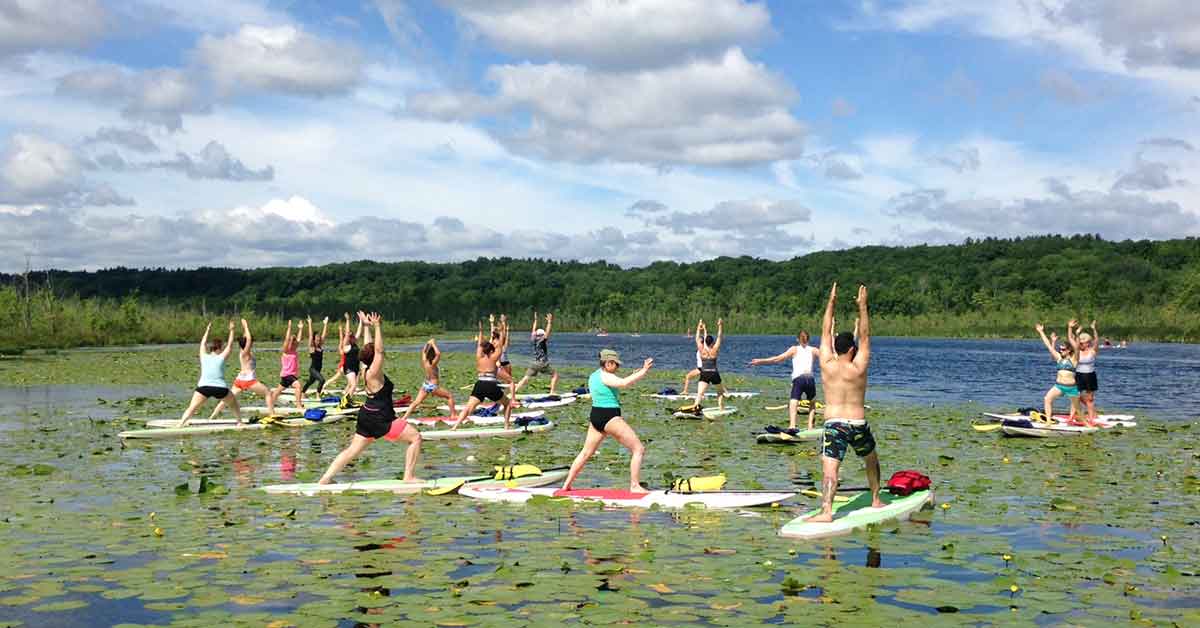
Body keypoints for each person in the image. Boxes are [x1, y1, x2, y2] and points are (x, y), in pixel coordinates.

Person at [805, 283, 881, 523]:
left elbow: (825, 331)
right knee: (871, 459)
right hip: (857, 422)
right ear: (852, 348)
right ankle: (876, 499)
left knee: (830, 469)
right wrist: (863, 306)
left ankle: (827, 512)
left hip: (835, 423)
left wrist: (831, 301)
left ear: (836, 348)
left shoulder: (827, 364)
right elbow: (866, 335)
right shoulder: (858, 366)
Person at [318, 312, 422, 484]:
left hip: (366, 415)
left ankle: (325, 478)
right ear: (374, 358)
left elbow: (370, 347)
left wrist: (366, 326)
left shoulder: (365, 366)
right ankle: (408, 476)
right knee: (415, 438)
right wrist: (378, 326)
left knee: (352, 450)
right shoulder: (374, 372)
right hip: (381, 418)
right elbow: (379, 350)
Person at [561, 349, 654, 492]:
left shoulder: (594, 376)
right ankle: (634, 486)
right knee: (638, 449)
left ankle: (566, 485)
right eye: (616, 364)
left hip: (596, 416)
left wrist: (636, 373)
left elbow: (617, 382)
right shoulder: (606, 377)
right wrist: (644, 371)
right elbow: (623, 383)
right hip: (609, 417)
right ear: (608, 363)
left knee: (586, 453)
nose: (618, 367)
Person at [749, 331, 821, 429]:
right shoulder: (814, 350)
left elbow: (777, 359)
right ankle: (810, 426)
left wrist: (761, 361)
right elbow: (828, 358)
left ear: (797, 339)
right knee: (812, 403)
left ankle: (792, 426)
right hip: (810, 379)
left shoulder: (794, 349)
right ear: (809, 339)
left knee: (793, 402)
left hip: (799, 379)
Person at [453, 320, 515, 429]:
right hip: (490, 385)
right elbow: (500, 344)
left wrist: (480, 330)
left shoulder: (479, 357)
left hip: (479, 384)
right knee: (507, 403)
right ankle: (506, 426)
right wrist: (502, 330)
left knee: (468, 407)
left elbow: (479, 344)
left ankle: (455, 427)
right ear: (491, 351)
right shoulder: (493, 357)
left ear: (483, 350)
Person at [209, 319, 277, 419]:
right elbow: (248, 339)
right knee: (268, 393)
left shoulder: (242, 351)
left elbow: (246, 339)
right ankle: (272, 415)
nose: (251, 342)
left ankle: (213, 416)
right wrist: (246, 326)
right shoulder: (246, 352)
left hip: (239, 380)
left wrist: (244, 328)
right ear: (247, 344)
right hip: (249, 381)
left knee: (227, 399)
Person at [178, 321, 241, 427]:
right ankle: (240, 422)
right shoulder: (221, 357)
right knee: (233, 404)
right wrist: (232, 330)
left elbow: (202, 343)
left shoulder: (203, 356)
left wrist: (207, 330)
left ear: (210, 348)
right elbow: (230, 345)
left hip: (203, 388)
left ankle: (180, 424)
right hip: (220, 388)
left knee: (192, 407)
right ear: (220, 348)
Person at [399, 338, 457, 421]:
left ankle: (405, 417)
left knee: (416, 401)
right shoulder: (433, 364)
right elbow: (438, 354)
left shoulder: (424, 361)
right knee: (449, 396)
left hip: (425, 385)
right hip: (433, 386)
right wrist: (433, 344)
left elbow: (423, 351)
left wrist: (427, 344)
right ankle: (453, 415)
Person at [1035, 321, 1080, 423]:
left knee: (1075, 406)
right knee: (1047, 399)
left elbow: (1076, 346)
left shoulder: (1074, 359)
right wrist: (1041, 332)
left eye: (1063, 349)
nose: (1060, 351)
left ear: (1069, 350)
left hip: (1071, 387)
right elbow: (1048, 346)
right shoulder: (1059, 358)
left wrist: (1070, 328)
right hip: (1059, 386)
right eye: (1060, 349)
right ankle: (1048, 420)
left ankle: (1071, 419)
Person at [512, 311, 559, 396]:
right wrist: (549, 322)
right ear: (542, 335)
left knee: (525, 378)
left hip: (534, 363)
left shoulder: (533, 339)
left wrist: (536, 319)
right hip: (542, 363)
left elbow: (533, 330)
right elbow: (548, 332)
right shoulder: (542, 341)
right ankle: (552, 392)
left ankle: (513, 392)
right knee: (555, 375)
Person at [687, 318, 727, 412]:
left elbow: (697, 338)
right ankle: (721, 409)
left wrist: (699, 326)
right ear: (712, 342)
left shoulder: (702, 350)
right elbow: (720, 336)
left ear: (705, 342)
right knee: (720, 392)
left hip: (704, 373)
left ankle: (695, 407)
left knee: (700, 394)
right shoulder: (715, 350)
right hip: (714, 373)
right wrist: (720, 325)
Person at [1070, 320, 1101, 425]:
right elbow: (1071, 339)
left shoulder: (1093, 351)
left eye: (1083, 342)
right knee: (1075, 396)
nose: (1081, 344)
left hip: (1090, 376)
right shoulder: (1077, 351)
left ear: (1088, 343)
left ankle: (1092, 418)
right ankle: (1071, 417)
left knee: (1090, 399)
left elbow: (1097, 340)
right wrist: (1073, 330)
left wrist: (1094, 329)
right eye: (1080, 342)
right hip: (1079, 375)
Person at [270, 320, 305, 411]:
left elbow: (299, 339)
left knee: (278, 390)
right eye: (292, 341)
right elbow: (286, 339)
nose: (294, 342)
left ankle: (270, 404)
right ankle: (298, 406)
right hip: (287, 374)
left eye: (294, 341)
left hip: (290, 375)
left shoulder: (294, 349)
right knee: (298, 386)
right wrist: (289, 327)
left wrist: (300, 328)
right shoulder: (286, 350)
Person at [301, 315, 329, 396]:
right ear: (314, 339)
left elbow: (324, 335)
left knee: (310, 381)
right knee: (322, 380)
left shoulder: (320, 345)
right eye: (317, 338)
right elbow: (310, 335)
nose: (319, 339)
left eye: (319, 338)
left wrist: (325, 324)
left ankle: (302, 393)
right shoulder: (312, 347)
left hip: (318, 369)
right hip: (313, 369)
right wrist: (309, 323)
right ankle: (317, 395)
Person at [341, 312, 364, 402]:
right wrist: (347, 320)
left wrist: (361, 320)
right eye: (350, 336)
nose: (352, 337)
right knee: (354, 385)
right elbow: (347, 333)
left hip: (355, 367)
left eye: (352, 336)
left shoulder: (354, 342)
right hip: (348, 368)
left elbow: (359, 331)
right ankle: (346, 402)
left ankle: (344, 399)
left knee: (351, 386)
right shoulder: (346, 344)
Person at [490, 314, 514, 384]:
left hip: (505, 363)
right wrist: (492, 323)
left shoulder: (503, 344)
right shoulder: (493, 342)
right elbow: (493, 334)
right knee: (504, 379)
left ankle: (508, 391)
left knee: (509, 380)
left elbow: (503, 334)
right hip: (498, 364)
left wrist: (504, 325)